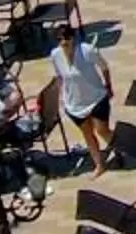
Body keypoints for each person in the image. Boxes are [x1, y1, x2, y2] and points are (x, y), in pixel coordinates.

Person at [49, 22, 116, 175]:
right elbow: (59, 77)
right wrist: (60, 98)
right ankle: (99, 164)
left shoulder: (87, 50)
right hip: (74, 103)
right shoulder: (55, 55)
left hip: (96, 97)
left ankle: (118, 147)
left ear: (73, 37)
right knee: (87, 134)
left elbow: (104, 66)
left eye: (67, 38)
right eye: (60, 39)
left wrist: (108, 86)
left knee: (102, 130)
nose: (64, 42)